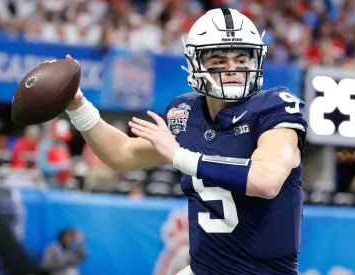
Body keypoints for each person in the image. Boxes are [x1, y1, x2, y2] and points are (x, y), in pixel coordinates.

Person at [63, 8, 307, 275]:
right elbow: (121, 154)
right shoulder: (186, 113)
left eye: (241, 59)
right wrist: (79, 108)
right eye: (218, 61)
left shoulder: (274, 108)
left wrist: (180, 156)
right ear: (196, 64)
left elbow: (266, 180)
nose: (232, 70)